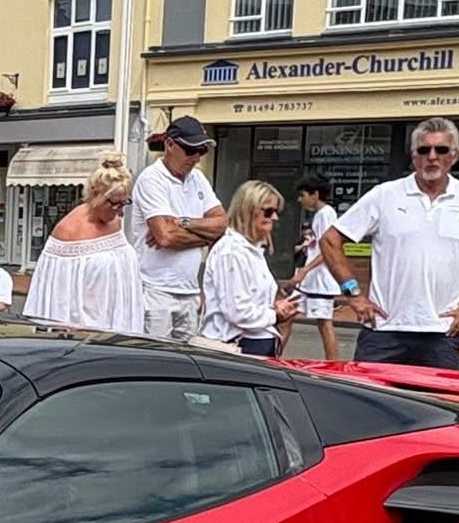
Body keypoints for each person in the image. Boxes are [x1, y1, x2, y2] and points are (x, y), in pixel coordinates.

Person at [319, 117, 459, 369]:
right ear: (413, 156)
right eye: (424, 150)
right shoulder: (385, 195)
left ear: (454, 155)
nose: (432, 157)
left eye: (441, 150)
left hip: (441, 334)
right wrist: (354, 294)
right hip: (383, 331)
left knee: (435, 397)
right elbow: (330, 240)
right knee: (369, 396)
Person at [21, 155, 146, 335]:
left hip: (119, 323)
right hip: (88, 331)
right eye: (114, 203)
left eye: (124, 203)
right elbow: (59, 296)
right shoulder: (69, 231)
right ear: (95, 194)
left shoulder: (115, 220)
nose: (120, 210)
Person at [135, 116, 225, 342]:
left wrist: (184, 222)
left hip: (190, 290)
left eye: (201, 151)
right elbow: (166, 237)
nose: (196, 158)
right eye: (190, 150)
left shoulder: (198, 178)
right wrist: (207, 236)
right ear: (170, 145)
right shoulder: (151, 179)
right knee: (156, 355)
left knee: (187, 359)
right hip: (155, 289)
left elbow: (222, 224)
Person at [202, 181, 299, 357]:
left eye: (277, 212)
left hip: (253, 342)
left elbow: (249, 302)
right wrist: (274, 315)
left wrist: (275, 309)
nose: (275, 218)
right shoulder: (231, 252)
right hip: (237, 346)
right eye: (268, 211)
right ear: (248, 210)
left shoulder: (251, 250)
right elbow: (237, 311)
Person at [286, 174, 343, 362]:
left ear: (315, 194)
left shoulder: (326, 214)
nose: (300, 200)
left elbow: (328, 249)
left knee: (324, 323)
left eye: (303, 195)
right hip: (311, 279)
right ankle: (275, 355)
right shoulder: (320, 215)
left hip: (320, 279)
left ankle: (332, 363)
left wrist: (305, 270)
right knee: (287, 315)